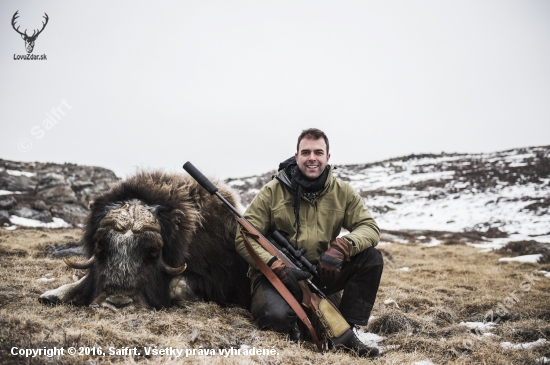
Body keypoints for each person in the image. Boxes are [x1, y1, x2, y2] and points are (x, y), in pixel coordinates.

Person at [235, 128, 383, 357]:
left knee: (371, 258)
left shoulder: (342, 192)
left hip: (321, 273)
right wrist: (274, 264)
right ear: (297, 157)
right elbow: (243, 236)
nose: (312, 157)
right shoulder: (272, 192)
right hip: (278, 277)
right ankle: (297, 326)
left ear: (327, 157)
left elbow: (370, 228)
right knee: (276, 318)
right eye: (305, 152)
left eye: (318, 152)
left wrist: (342, 247)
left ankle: (347, 332)